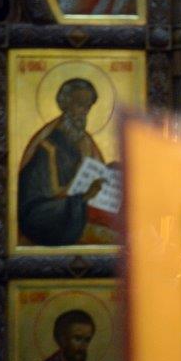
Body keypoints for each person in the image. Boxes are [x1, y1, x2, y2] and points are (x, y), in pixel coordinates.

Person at [17, 78, 117, 246]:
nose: (84, 112)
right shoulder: (47, 146)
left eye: (88, 107)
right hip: (44, 216)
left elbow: (98, 175)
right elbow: (48, 197)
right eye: (79, 105)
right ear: (65, 105)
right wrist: (84, 197)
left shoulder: (85, 141)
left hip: (76, 207)